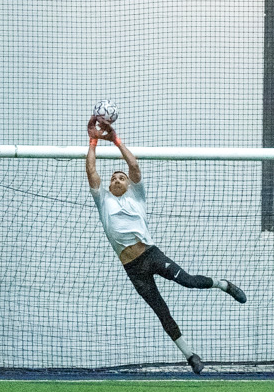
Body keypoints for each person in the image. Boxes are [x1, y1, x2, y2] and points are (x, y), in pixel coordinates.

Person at [85, 116, 246, 374]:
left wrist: (115, 140)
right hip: (132, 268)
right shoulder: (103, 200)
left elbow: (134, 165)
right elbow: (92, 172)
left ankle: (223, 284)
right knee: (161, 311)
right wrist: (93, 141)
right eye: (113, 177)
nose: (116, 179)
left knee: (189, 281)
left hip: (151, 255)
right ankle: (191, 356)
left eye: (121, 177)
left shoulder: (137, 196)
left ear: (128, 184)